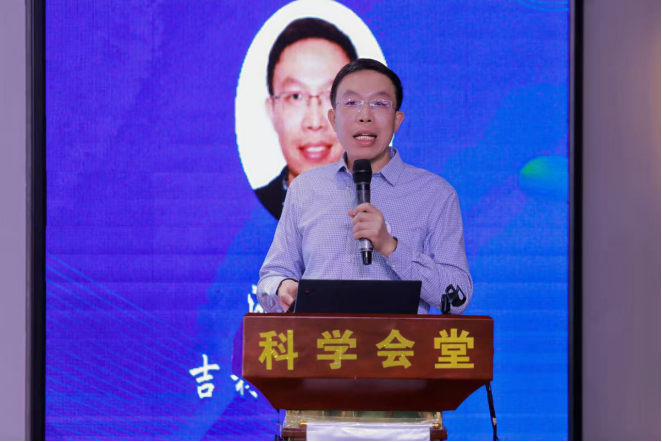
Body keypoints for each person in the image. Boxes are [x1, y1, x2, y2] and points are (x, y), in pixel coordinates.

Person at [257, 59, 473, 314]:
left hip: (398, 340)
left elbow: (457, 298)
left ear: (397, 120)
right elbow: (272, 277)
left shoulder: (435, 194)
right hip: (322, 339)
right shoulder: (305, 188)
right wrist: (282, 287)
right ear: (333, 119)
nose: (365, 116)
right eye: (352, 103)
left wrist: (391, 247)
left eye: (379, 104)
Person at [255, 18, 358, 220]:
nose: (314, 122)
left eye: (331, 96)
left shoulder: (389, 211)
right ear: (272, 111)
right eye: (295, 96)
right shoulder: (246, 212)